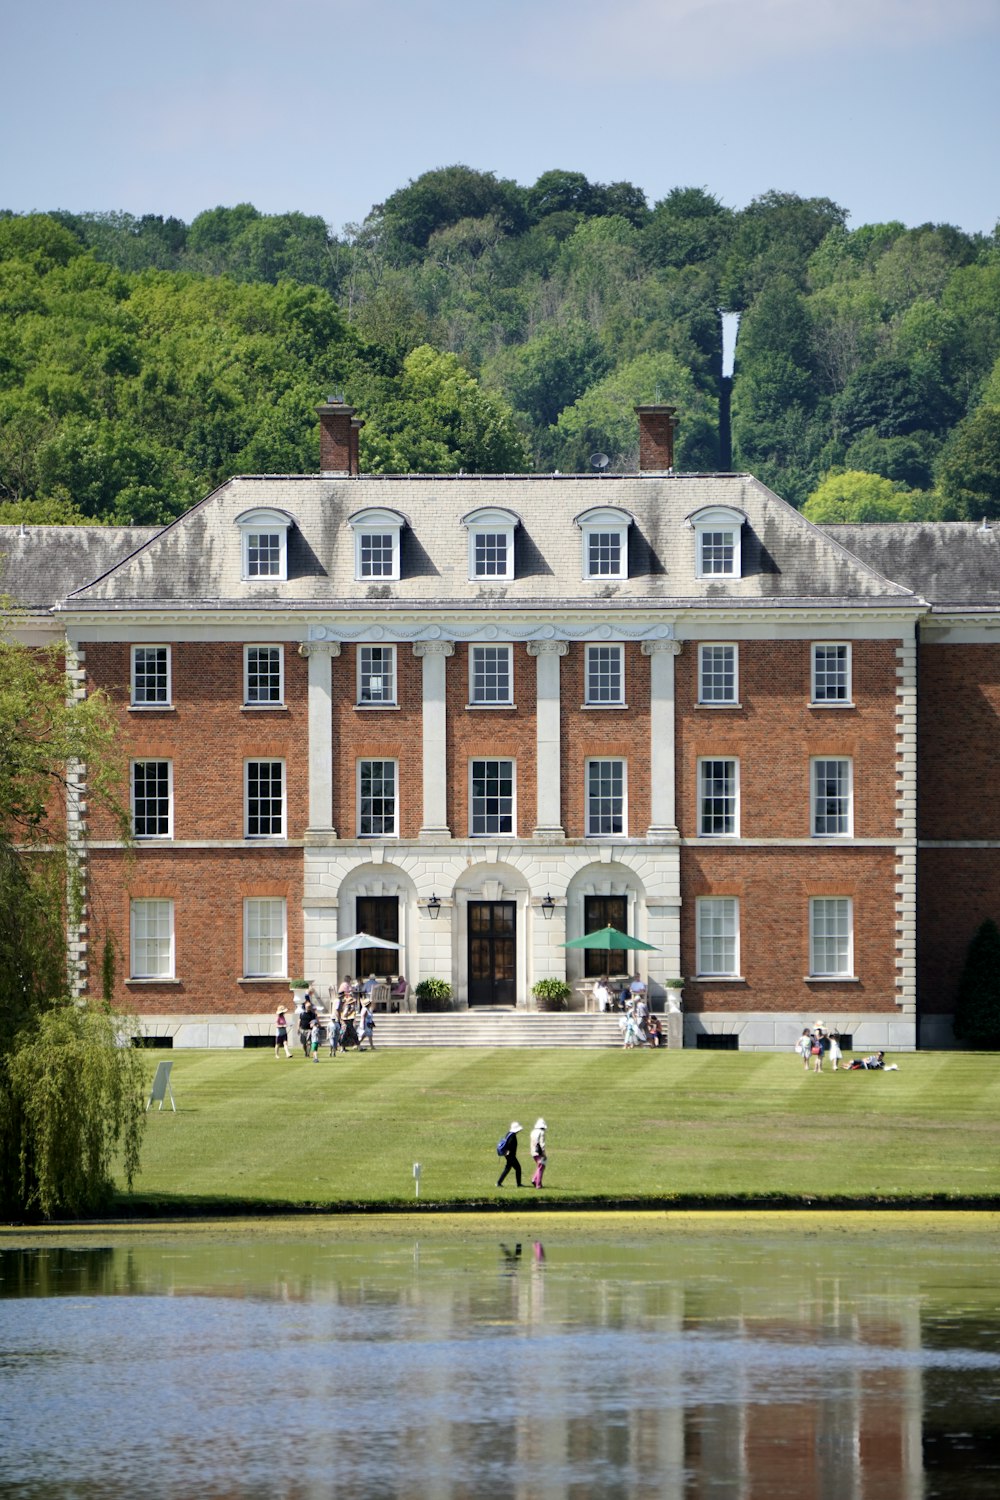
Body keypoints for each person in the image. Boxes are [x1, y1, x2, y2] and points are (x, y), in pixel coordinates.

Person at [496, 1121, 523, 1187]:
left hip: (508, 1155)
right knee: (518, 1168)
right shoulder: (512, 1136)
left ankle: (499, 1183)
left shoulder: (509, 1134)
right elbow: (510, 1145)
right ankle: (518, 1184)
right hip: (511, 1155)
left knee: (507, 1168)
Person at [530, 1118, 548, 1189]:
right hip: (539, 1152)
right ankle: (538, 1183)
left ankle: (535, 1179)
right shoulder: (541, 1132)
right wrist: (544, 1153)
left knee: (539, 1166)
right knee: (541, 1166)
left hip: (533, 1152)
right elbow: (542, 1144)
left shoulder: (533, 1132)